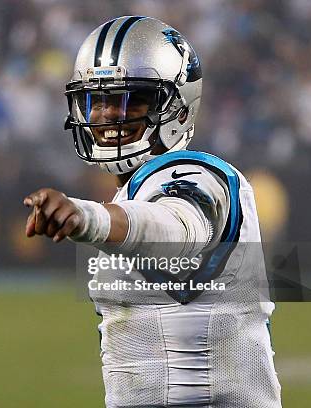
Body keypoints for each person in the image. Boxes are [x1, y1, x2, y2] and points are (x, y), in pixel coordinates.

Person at [24, 16, 281, 408]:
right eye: (98, 100)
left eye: (131, 99)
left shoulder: (197, 174)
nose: (109, 114)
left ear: (178, 108)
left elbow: (178, 229)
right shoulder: (135, 191)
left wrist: (88, 218)